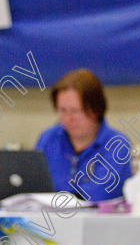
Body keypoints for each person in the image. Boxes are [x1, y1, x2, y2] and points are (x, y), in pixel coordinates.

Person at [35, 68, 132, 202]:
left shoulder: (117, 145)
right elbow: (33, 187)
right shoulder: (48, 138)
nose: (68, 119)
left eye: (75, 111)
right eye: (62, 110)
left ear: (96, 109)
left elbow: (97, 195)